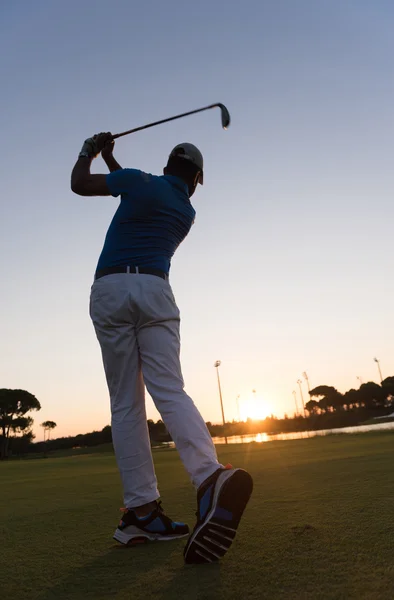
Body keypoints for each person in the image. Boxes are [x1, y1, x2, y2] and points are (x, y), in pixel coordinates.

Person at [70, 132, 253, 563]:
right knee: (169, 390)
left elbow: (81, 183)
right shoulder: (185, 210)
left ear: (168, 164)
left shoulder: (137, 181)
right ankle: (209, 478)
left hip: (111, 288)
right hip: (155, 290)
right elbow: (136, 192)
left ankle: (141, 511)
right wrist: (114, 162)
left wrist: (90, 151)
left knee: (125, 403)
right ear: (195, 179)